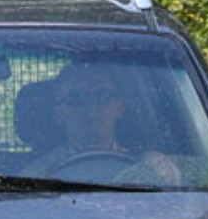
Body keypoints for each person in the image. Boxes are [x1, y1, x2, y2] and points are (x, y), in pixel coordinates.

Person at [22, 63, 181, 184]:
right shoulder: (35, 176)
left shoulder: (152, 165)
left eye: (102, 97)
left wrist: (152, 163)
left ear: (120, 108)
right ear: (58, 114)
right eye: (77, 99)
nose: (91, 109)